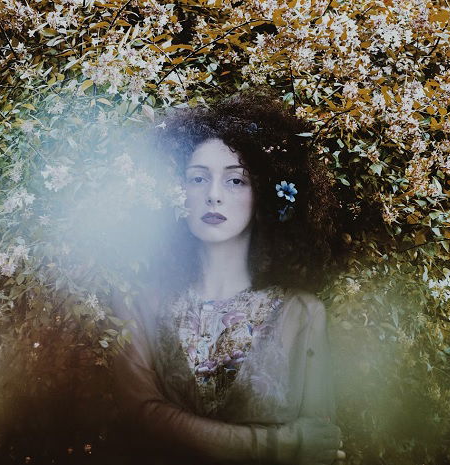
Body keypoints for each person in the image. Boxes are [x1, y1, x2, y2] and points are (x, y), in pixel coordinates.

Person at [109, 87, 347, 465]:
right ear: (175, 191)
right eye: (198, 179)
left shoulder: (302, 313)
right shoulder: (139, 302)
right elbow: (141, 418)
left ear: (264, 195)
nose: (214, 196)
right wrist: (279, 446)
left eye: (236, 180)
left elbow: (320, 447)